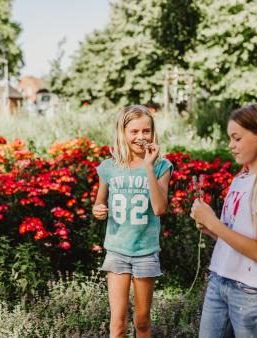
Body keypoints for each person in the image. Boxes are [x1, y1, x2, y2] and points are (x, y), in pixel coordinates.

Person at [190, 103, 257, 338]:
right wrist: (211, 229)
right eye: (230, 138)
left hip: (250, 292)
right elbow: (237, 237)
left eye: (236, 138)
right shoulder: (242, 178)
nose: (231, 145)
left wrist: (214, 222)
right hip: (220, 280)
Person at [92, 105, 173, 338]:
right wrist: (98, 210)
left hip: (145, 252)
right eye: (134, 132)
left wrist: (148, 165)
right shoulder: (109, 167)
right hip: (117, 250)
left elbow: (159, 208)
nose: (141, 137)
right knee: (117, 323)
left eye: (146, 131)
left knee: (142, 321)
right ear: (123, 133)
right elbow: (99, 204)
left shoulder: (161, 166)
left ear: (153, 133)